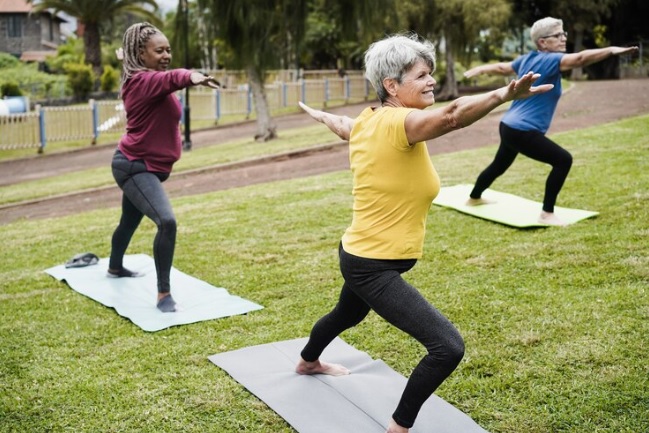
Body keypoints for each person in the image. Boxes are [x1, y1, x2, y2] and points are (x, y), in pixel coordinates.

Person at [294, 33, 553, 433]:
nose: (431, 81)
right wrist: (503, 94)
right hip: (371, 265)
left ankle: (308, 361)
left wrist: (320, 115)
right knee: (447, 347)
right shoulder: (401, 122)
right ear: (391, 86)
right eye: (421, 75)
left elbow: (343, 125)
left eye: (431, 73)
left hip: (357, 250)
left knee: (347, 313)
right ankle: (399, 427)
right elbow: (452, 117)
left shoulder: (369, 121)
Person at [463, 17, 638, 226]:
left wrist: (481, 69)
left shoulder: (526, 59)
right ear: (542, 42)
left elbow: (503, 68)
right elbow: (580, 59)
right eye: (558, 35)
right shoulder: (551, 60)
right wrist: (610, 50)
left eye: (564, 34)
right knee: (563, 160)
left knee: (499, 165)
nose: (564, 38)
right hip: (522, 129)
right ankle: (547, 213)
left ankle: (474, 198)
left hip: (508, 125)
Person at [108, 22, 219, 313]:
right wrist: (194, 76)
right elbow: (175, 78)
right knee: (166, 222)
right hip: (135, 166)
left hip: (144, 166)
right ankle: (163, 295)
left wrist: (127, 56)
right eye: (159, 50)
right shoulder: (142, 82)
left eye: (168, 49)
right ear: (141, 54)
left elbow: (163, 76)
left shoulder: (141, 77)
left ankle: (115, 267)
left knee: (128, 223)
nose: (166, 55)